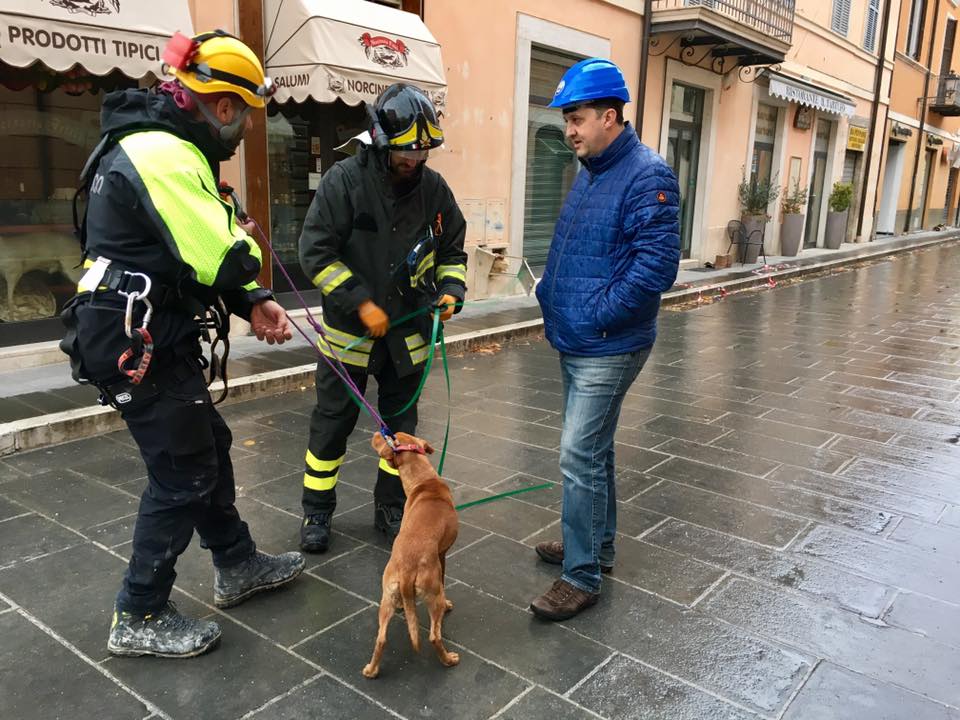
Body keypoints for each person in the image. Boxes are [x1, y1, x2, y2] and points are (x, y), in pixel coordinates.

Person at [60, 30, 304, 658]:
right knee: (181, 471)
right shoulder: (162, 152)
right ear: (222, 105)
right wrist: (250, 276)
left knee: (208, 447)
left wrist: (250, 299)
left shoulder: (156, 143)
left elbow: (193, 254)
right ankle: (138, 611)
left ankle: (237, 562)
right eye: (246, 112)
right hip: (134, 336)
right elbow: (221, 251)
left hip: (143, 328)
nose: (246, 127)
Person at [530, 58, 680, 621]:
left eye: (577, 118)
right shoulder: (592, 169)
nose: (569, 129)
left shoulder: (648, 175)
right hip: (579, 336)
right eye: (567, 118)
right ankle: (597, 546)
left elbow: (654, 269)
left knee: (577, 453)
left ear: (610, 116)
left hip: (609, 342)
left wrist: (594, 315)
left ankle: (581, 575)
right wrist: (552, 295)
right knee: (595, 450)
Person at [297, 83, 468, 553]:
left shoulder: (433, 190)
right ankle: (316, 509)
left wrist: (452, 289)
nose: (414, 162)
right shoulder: (343, 182)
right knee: (331, 424)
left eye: (422, 153)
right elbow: (315, 253)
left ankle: (390, 504)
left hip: (406, 335)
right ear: (379, 140)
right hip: (348, 335)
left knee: (399, 428)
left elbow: (453, 246)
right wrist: (360, 301)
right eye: (405, 153)